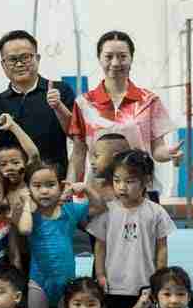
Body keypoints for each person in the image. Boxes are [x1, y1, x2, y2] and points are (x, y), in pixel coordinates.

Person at [91, 150, 173, 308]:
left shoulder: (155, 212)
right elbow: (100, 246)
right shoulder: (108, 210)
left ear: (146, 181)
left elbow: (162, 247)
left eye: (129, 181)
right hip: (114, 284)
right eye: (117, 180)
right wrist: (100, 274)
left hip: (143, 284)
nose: (122, 187)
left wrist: (159, 279)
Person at [18, 160, 105, 308]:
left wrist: (85, 189)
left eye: (50, 185)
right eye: (37, 186)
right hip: (39, 281)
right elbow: (24, 229)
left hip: (67, 283)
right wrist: (27, 203)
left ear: (61, 185)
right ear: (29, 189)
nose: (44, 191)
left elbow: (98, 207)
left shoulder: (69, 211)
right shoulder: (31, 214)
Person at [68, 30, 179, 191]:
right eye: (108, 56)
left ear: (131, 58)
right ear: (99, 58)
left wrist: (169, 153)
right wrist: (69, 186)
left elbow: (157, 149)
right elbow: (78, 153)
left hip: (140, 190)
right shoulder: (84, 103)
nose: (115, 63)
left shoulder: (149, 100)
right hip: (99, 193)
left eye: (122, 56)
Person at [0, 30, 78, 176]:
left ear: (37, 58)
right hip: (11, 183)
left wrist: (58, 106)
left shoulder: (60, 90)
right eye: (12, 59)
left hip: (52, 181)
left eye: (25, 57)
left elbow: (76, 135)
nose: (19, 64)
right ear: (3, 64)